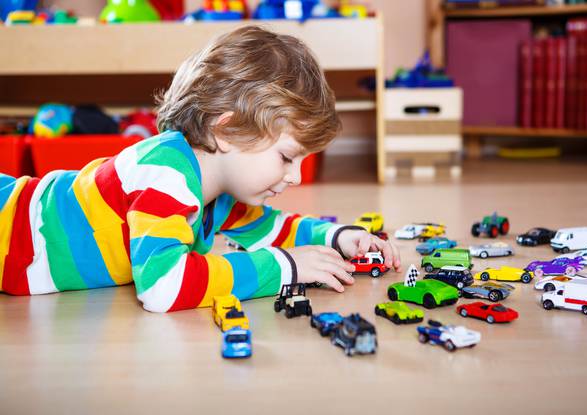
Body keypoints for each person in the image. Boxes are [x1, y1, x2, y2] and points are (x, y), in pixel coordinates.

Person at [0, 26, 400, 312]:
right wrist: (286, 266)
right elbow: (163, 287)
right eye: (285, 157)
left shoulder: (215, 188)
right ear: (226, 132)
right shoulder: (167, 175)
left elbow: (272, 227)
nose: (295, 177)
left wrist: (340, 237)